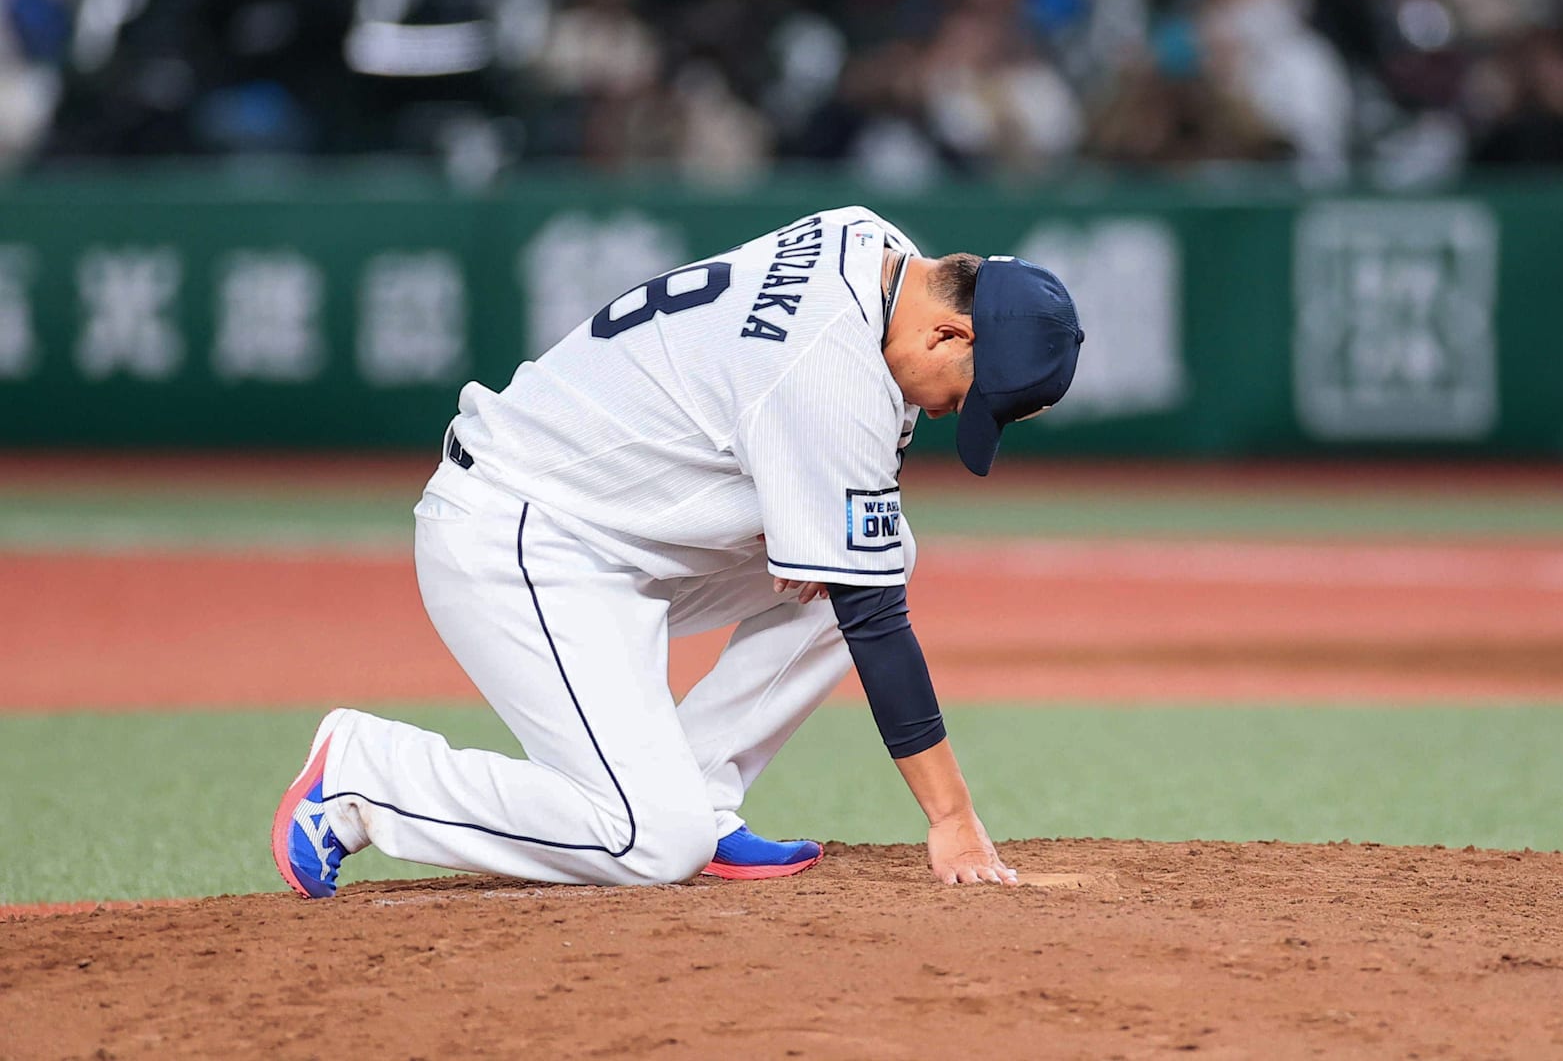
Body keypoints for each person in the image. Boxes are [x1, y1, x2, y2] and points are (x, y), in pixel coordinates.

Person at [271, 206, 1083, 895]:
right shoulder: (825, 368)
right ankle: (368, 776)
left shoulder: (869, 242)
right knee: (649, 841)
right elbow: (874, 623)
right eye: (967, 394)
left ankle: (699, 788)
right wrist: (953, 820)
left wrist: (809, 517)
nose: (951, 414)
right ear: (948, 330)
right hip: (521, 539)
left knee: (875, 549)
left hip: (608, 520)